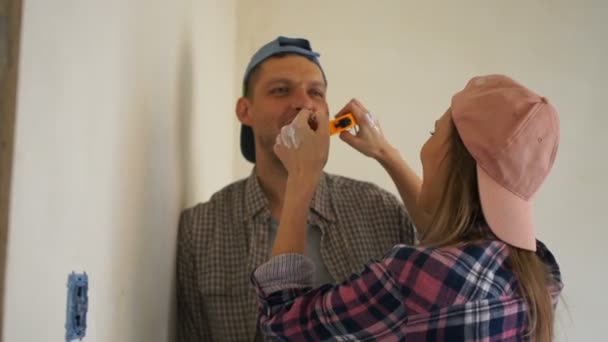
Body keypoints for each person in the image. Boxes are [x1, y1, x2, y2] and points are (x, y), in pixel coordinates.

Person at [252, 74, 563, 341]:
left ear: (453, 159)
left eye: (433, 133)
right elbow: (451, 242)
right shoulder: (541, 272)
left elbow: (283, 323)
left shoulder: (413, 276)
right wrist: (385, 153)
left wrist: (301, 176)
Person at [176, 36, 417, 341]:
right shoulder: (199, 228)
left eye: (316, 92)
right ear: (244, 111)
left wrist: (386, 152)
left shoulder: (381, 210)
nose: (304, 103)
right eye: (280, 90)